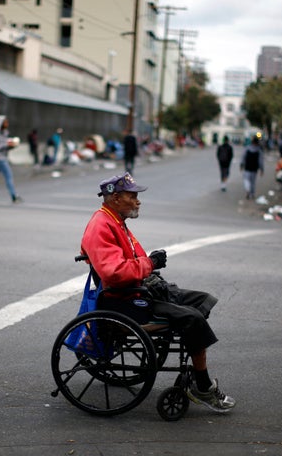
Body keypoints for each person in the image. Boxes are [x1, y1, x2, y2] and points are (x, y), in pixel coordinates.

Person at [80, 173, 235, 413]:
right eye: (133, 196)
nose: (138, 201)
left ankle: (193, 352)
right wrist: (150, 264)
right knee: (191, 318)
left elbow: (136, 259)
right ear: (115, 198)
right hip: (125, 300)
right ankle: (202, 386)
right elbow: (115, 273)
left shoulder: (116, 220)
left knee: (201, 300)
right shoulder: (101, 225)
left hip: (139, 290)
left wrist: (150, 264)